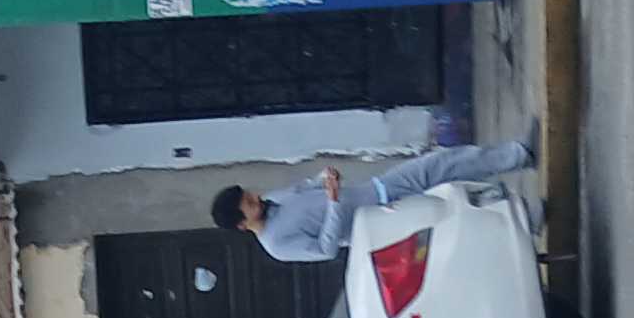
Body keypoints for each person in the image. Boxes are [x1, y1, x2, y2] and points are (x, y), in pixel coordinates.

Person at [212, 129, 539, 263]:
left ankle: (519, 154)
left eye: (250, 194)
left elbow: (305, 187)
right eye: (250, 204)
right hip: (386, 219)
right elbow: (325, 249)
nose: (257, 199)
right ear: (242, 224)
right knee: (455, 210)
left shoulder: (274, 200)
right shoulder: (277, 244)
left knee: (444, 163)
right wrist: (334, 202)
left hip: (379, 188)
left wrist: (324, 178)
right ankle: (528, 219)